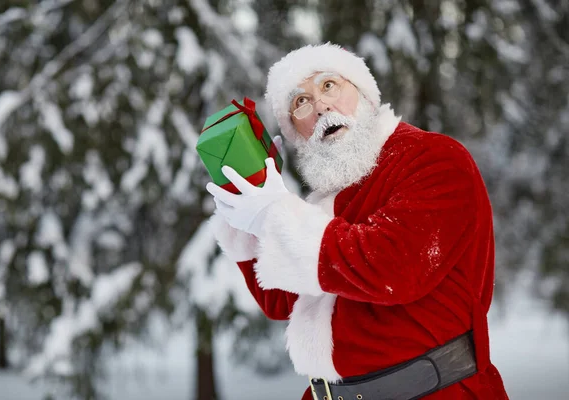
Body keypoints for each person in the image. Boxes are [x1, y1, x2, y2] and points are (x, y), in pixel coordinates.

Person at [206, 43, 509, 400]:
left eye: (329, 85)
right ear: (296, 133)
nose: (320, 106)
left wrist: (276, 215)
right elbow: (280, 302)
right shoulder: (326, 201)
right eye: (300, 102)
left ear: (363, 93)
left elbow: (394, 267)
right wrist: (246, 215)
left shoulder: (435, 158)